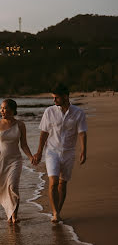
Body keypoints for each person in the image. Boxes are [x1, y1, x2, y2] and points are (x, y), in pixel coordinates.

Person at [33, 84, 87, 223]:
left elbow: (82, 133)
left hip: (69, 152)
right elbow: (44, 133)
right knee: (53, 182)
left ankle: (58, 210)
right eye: (53, 98)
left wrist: (83, 151)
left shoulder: (78, 113)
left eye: (56, 97)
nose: (54, 101)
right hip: (52, 151)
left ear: (65, 97)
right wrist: (39, 152)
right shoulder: (49, 112)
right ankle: (55, 213)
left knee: (63, 184)